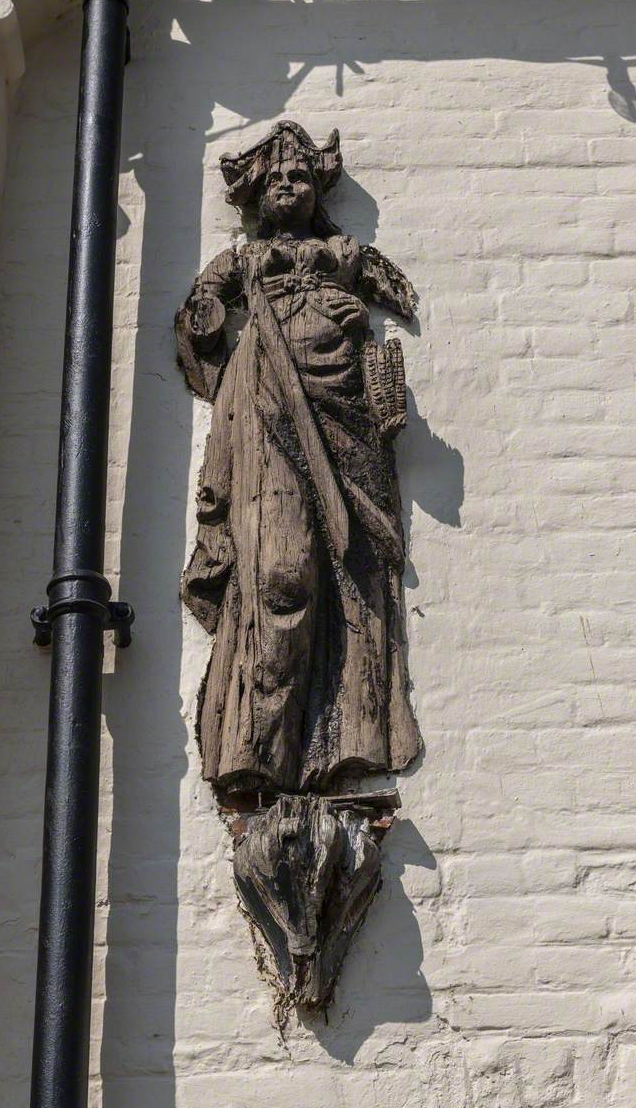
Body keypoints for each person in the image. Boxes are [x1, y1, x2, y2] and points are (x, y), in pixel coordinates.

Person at [176, 121, 421, 801]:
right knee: (279, 575)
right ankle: (255, 748)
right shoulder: (242, 262)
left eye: (301, 176)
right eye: (275, 177)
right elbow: (199, 320)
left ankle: (344, 743)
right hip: (266, 406)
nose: (288, 187)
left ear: (319, 187)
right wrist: (206, 323)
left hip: (343, 406)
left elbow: (395, 292)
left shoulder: (347, 251)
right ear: (255, 190)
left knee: (352, 569)